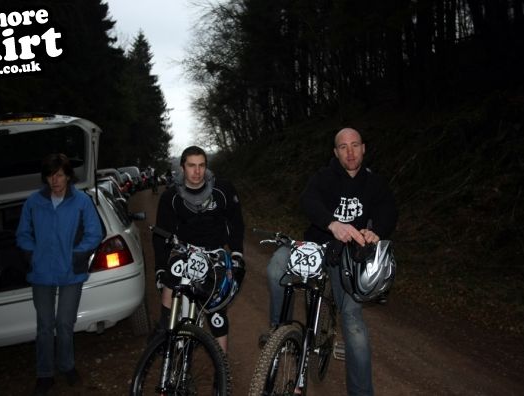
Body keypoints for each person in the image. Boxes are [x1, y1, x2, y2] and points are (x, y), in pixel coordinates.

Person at [265, 127, 397, 396]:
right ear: (335, 152)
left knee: (354, 323)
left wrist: (376, 231)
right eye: (343, 147)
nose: (350, 152)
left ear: (363, 148)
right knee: (276, 267)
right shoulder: (323, 177)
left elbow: (389, 210)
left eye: (355, 145)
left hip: (349, 258)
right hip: (315, 246)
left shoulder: (375, 183)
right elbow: (308, 200)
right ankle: (279, 334)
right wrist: (331, 223)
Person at [16, 153, 103, 396]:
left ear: (68, 176)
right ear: (45, 177)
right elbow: (23, 233)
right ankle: (45, 374)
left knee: (65, 323)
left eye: (60, 175)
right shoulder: (33, 202)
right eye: (51, 175)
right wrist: (32, 255)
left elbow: (94, 233)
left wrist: (78, 255)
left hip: (71, 273)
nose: (55, 180)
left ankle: (67, 366)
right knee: (44, 325)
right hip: (41, 273)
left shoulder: (81, 201)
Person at [152, 145, 245, 353]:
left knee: (216, 312)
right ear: (182, 167)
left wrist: (237, 253)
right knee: (172, 274)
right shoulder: (170, 197)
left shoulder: (223, 190)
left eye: (202, 165)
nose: (197, 171)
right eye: (192, 166)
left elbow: (236, 223)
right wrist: (160, 268)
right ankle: (164, 327)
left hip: (215, 253)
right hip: (186, 251)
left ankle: (221, 368)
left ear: (206, 167)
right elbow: (161, 235)